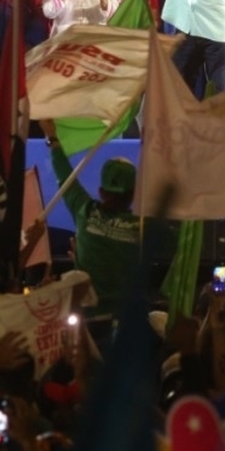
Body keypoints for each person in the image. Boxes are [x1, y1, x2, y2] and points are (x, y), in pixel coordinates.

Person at [39, 120, 142, 323]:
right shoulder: (145, 227)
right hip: (129, 326)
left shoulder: (85, 211)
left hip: (88, 324)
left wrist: (52, 136)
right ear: (134, 194)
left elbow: (64, 176)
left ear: (101, 191)